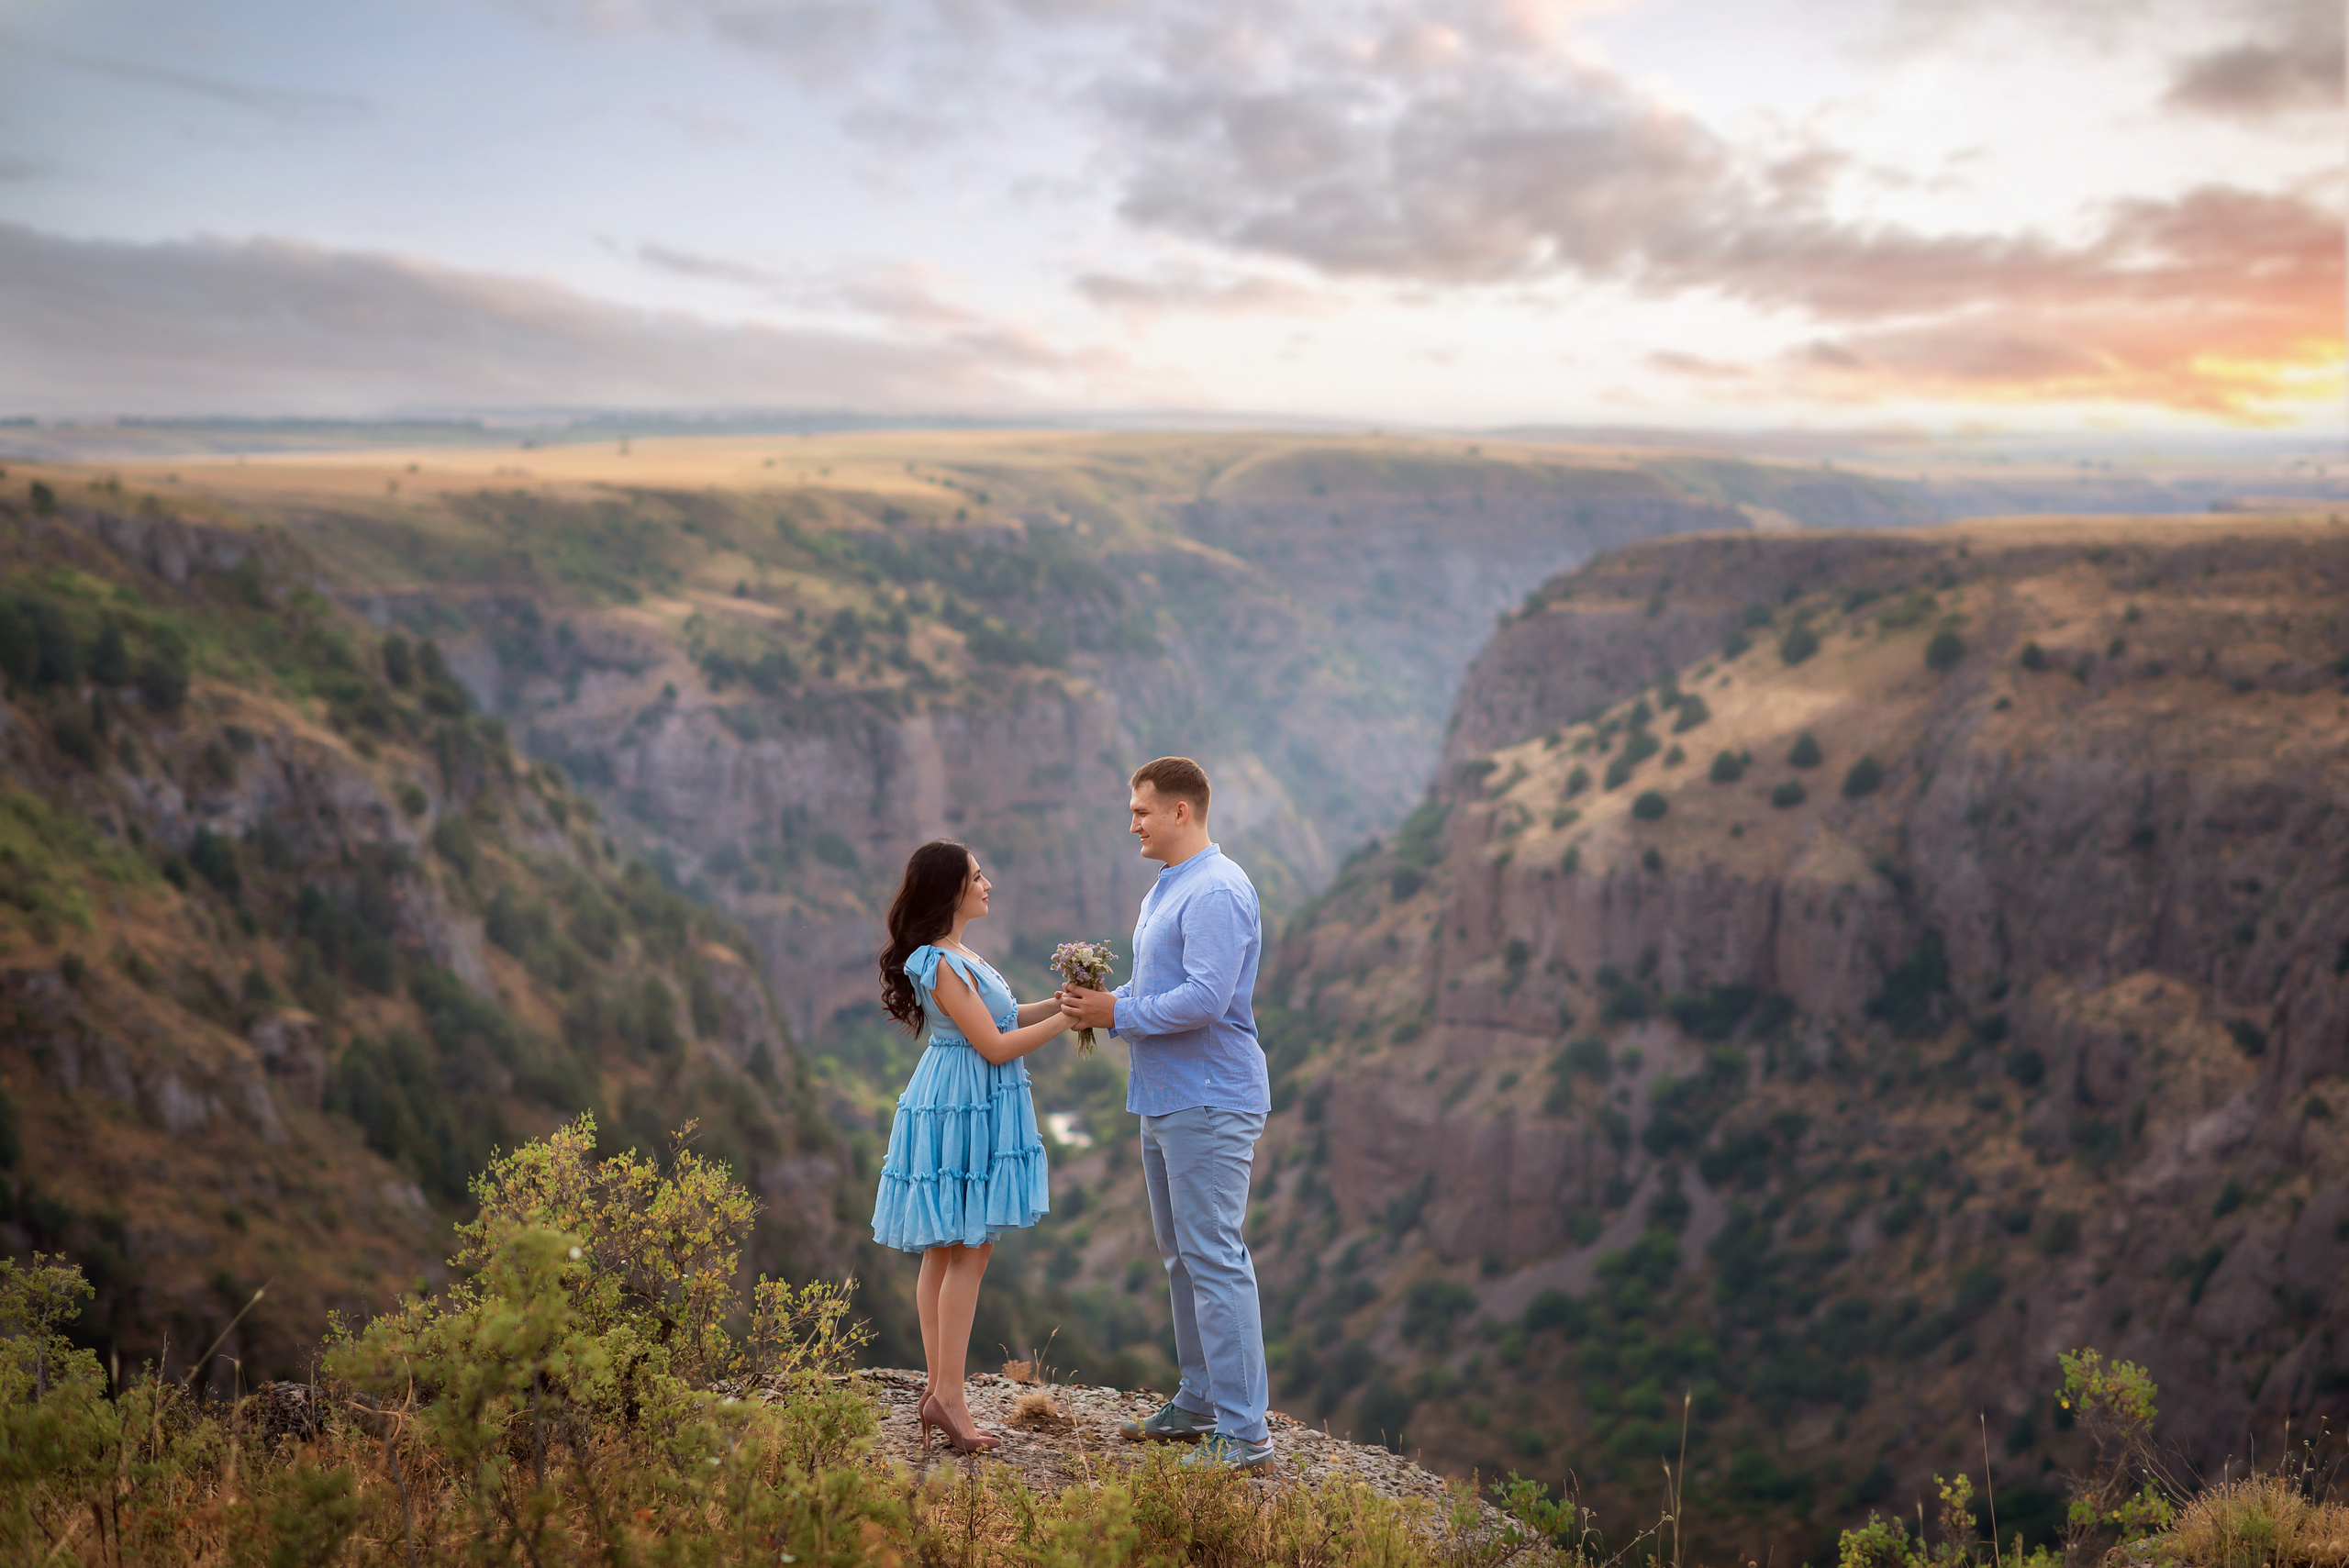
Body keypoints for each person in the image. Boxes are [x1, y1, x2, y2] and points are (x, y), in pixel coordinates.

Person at [1058, 756, 1275, 1473]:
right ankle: (1199, 1399)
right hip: (1165, 1097)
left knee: (1215, 1257)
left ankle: (1245, 1434)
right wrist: (1100, 1000)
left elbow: (1208, 999)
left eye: (1142, 810)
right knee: (1184, 1257)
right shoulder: (1169, 887)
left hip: (1210, 1097)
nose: (1133, 823)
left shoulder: (1216, 889)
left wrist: (1115, 1011)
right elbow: (1161, 985)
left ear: (1182, 810)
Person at [871, 840, 1069, 1453]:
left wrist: (1062, 1001)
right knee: (969, 1247)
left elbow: (1003, 1018)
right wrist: (1071, 1021)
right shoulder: (940, 960)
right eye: (978, 876)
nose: (989, 884)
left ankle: (939, 1390)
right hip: (961, 1102)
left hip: (964, 1099)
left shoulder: (956, 953)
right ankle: (949, 1397)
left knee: (947, 1246)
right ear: (951, 889)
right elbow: (996, 1046)